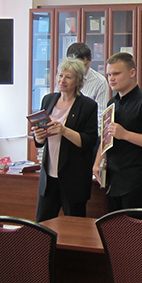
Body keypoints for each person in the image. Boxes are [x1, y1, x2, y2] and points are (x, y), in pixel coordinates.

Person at [92, 52, 142, 211]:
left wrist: (125, 135)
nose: (111, 79)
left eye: (116, 74)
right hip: (114, 178)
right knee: (114, 225)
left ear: (132, 73)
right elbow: (106, 135)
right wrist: (98, 161)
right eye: (109, 74)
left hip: (137, 179)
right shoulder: (112, 103)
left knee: (133, 226)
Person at [32, 58, 98, 222]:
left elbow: (89, 141)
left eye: (68, 77)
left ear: (78, 81)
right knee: (43, 223)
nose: (62, 80)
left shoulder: (87, 105)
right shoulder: (48, 100)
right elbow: (40, 140)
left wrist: (64, 130)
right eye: (60, 75)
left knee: (74, 226)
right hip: (49, 176)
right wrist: (39, 137)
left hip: (73, 178)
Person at [65, 42, 110, 117]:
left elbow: (101, 115)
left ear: (90, 60)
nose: (79, 69)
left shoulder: (100, 82)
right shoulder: (62, 79)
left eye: (84, 65)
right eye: (75, 66)